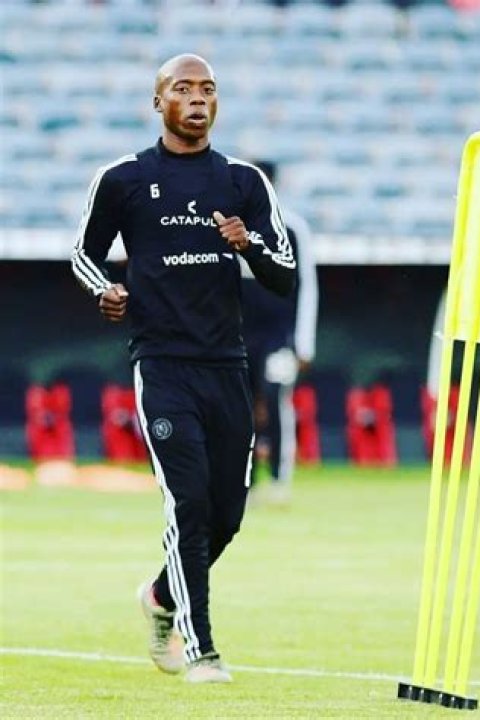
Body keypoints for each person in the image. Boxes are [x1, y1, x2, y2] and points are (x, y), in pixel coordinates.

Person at [71, 54, 296, 683]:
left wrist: (247, 244)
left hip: (228, 366)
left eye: (208, 89)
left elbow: (284, 274)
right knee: (188, 503)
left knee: (227, 516)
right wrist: (105, 290)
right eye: (183, 88)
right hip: (163, 365)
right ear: (158, 102)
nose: (197, 98)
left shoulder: (243, 182)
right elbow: (85, 255)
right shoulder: (123, 179)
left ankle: (160, 595)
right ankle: (201, 650)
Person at [241, 160, 318, 505]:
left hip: (279, 336)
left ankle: (277, 479)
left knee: (274, 397)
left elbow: (307, 287)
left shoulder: (292, 228)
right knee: (239, 405)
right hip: (238, 335)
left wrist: (304, 343)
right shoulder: (229, 226)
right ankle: (243, 481)